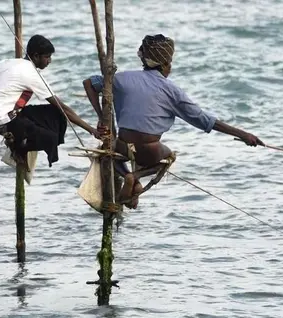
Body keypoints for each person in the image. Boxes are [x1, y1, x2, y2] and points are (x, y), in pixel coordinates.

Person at [83, 34, 264, 209]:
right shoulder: (172, 90)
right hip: (148, 151)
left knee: (107, 149)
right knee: (169, 156)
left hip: (123, 145)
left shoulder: (120, 78)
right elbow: (205, 120)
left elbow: (89, 83)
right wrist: (243, 134)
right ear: (165, 65)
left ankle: (129, 178)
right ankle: (134, 176)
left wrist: (101, 117)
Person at [0, 34, 99, 168]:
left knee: (54, 113)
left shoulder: (5, 63)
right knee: (51, 138)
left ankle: (21, 138)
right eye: (47, 57)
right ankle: (18, 148)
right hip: (5, 121)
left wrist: (4, 86)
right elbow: (62, 107)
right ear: (35, 56)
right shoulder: (31, 74)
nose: (49, 61)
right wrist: (91, 130)